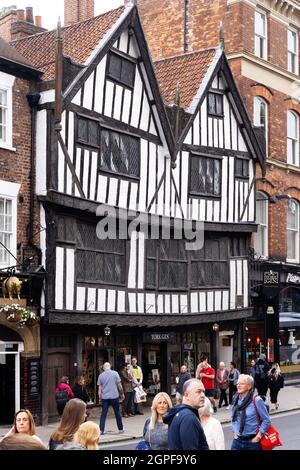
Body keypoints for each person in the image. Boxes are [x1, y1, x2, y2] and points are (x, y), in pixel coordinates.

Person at [163, 378, 209, 450]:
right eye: (199, 392)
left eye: (203, 392)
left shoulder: (178, 412)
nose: (203, 395)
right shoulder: (188, 417)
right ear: (186, 395)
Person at [231, 374, 270, 451]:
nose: (238, 385)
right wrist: (234, 432)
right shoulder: (235, 399)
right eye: (237, 383)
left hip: (252, 442)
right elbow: (233, 417)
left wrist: (258, 437)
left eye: (241, 383)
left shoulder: (257, 400)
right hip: (237, 441)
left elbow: (266, 420)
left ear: (249, 386)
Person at [97, 362, 125, 435]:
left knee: (103, 414)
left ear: (103, 368)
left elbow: (99, 389)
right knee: (117, 412)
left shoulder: (101, 375)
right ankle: (121, 429)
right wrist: (122, 394)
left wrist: (100, 398)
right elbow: (119, 385)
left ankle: (101, 430)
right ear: (110, 366)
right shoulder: (115, 373)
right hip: (114, 396)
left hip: (105, 397)